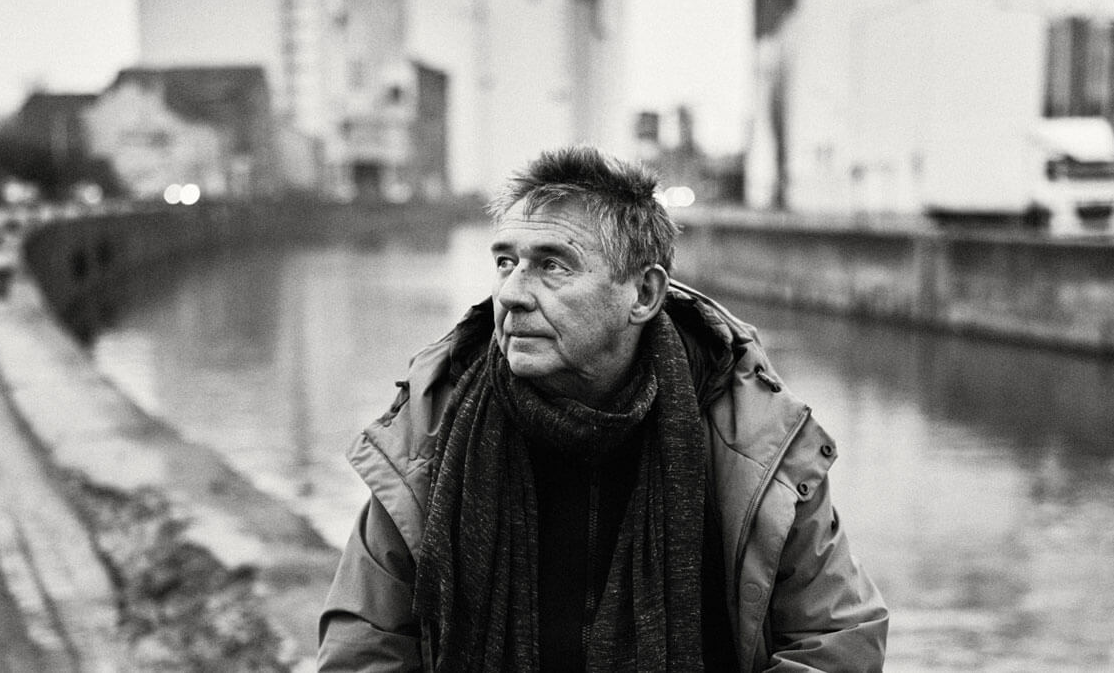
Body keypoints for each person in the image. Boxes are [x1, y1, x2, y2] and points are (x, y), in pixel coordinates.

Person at [318, 146, 888, 671]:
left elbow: (836, 638)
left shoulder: (751, 437)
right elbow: (363, 648)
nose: (512, 294)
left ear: (643, 294)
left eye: (553, 265)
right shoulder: (433, 430)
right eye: (505, 262)